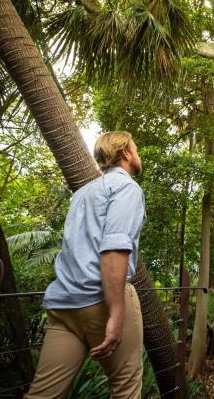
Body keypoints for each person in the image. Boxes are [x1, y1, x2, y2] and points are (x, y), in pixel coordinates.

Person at [26, 131, 146, 398]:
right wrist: (116, 313)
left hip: (64, 306)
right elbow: (114, 249)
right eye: (136, 150)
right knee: (126, 389)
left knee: (43, 395)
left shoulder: (82, 194)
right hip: (100, 303)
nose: (138, 156)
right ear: (125, 152)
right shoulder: (127, 188)